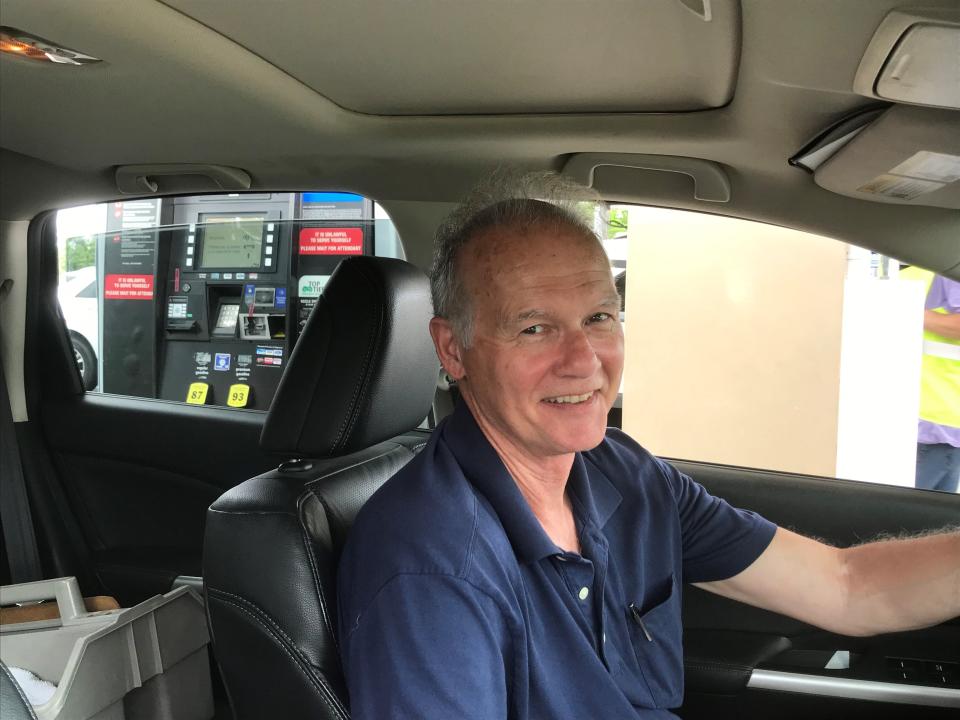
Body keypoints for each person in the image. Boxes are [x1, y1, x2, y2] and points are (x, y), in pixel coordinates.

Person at [337, 173, 960, 719]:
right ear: (452, 349)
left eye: (600, 318)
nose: (583, 361)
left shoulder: (621, 472)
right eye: (535, 328)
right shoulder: (431, 561)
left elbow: (845, 586)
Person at [901, 267, 960, 493]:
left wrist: (906, 308)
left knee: (905, 520)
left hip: (933, 423)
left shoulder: (943, 265)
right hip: (932, 422)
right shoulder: (918, 266)